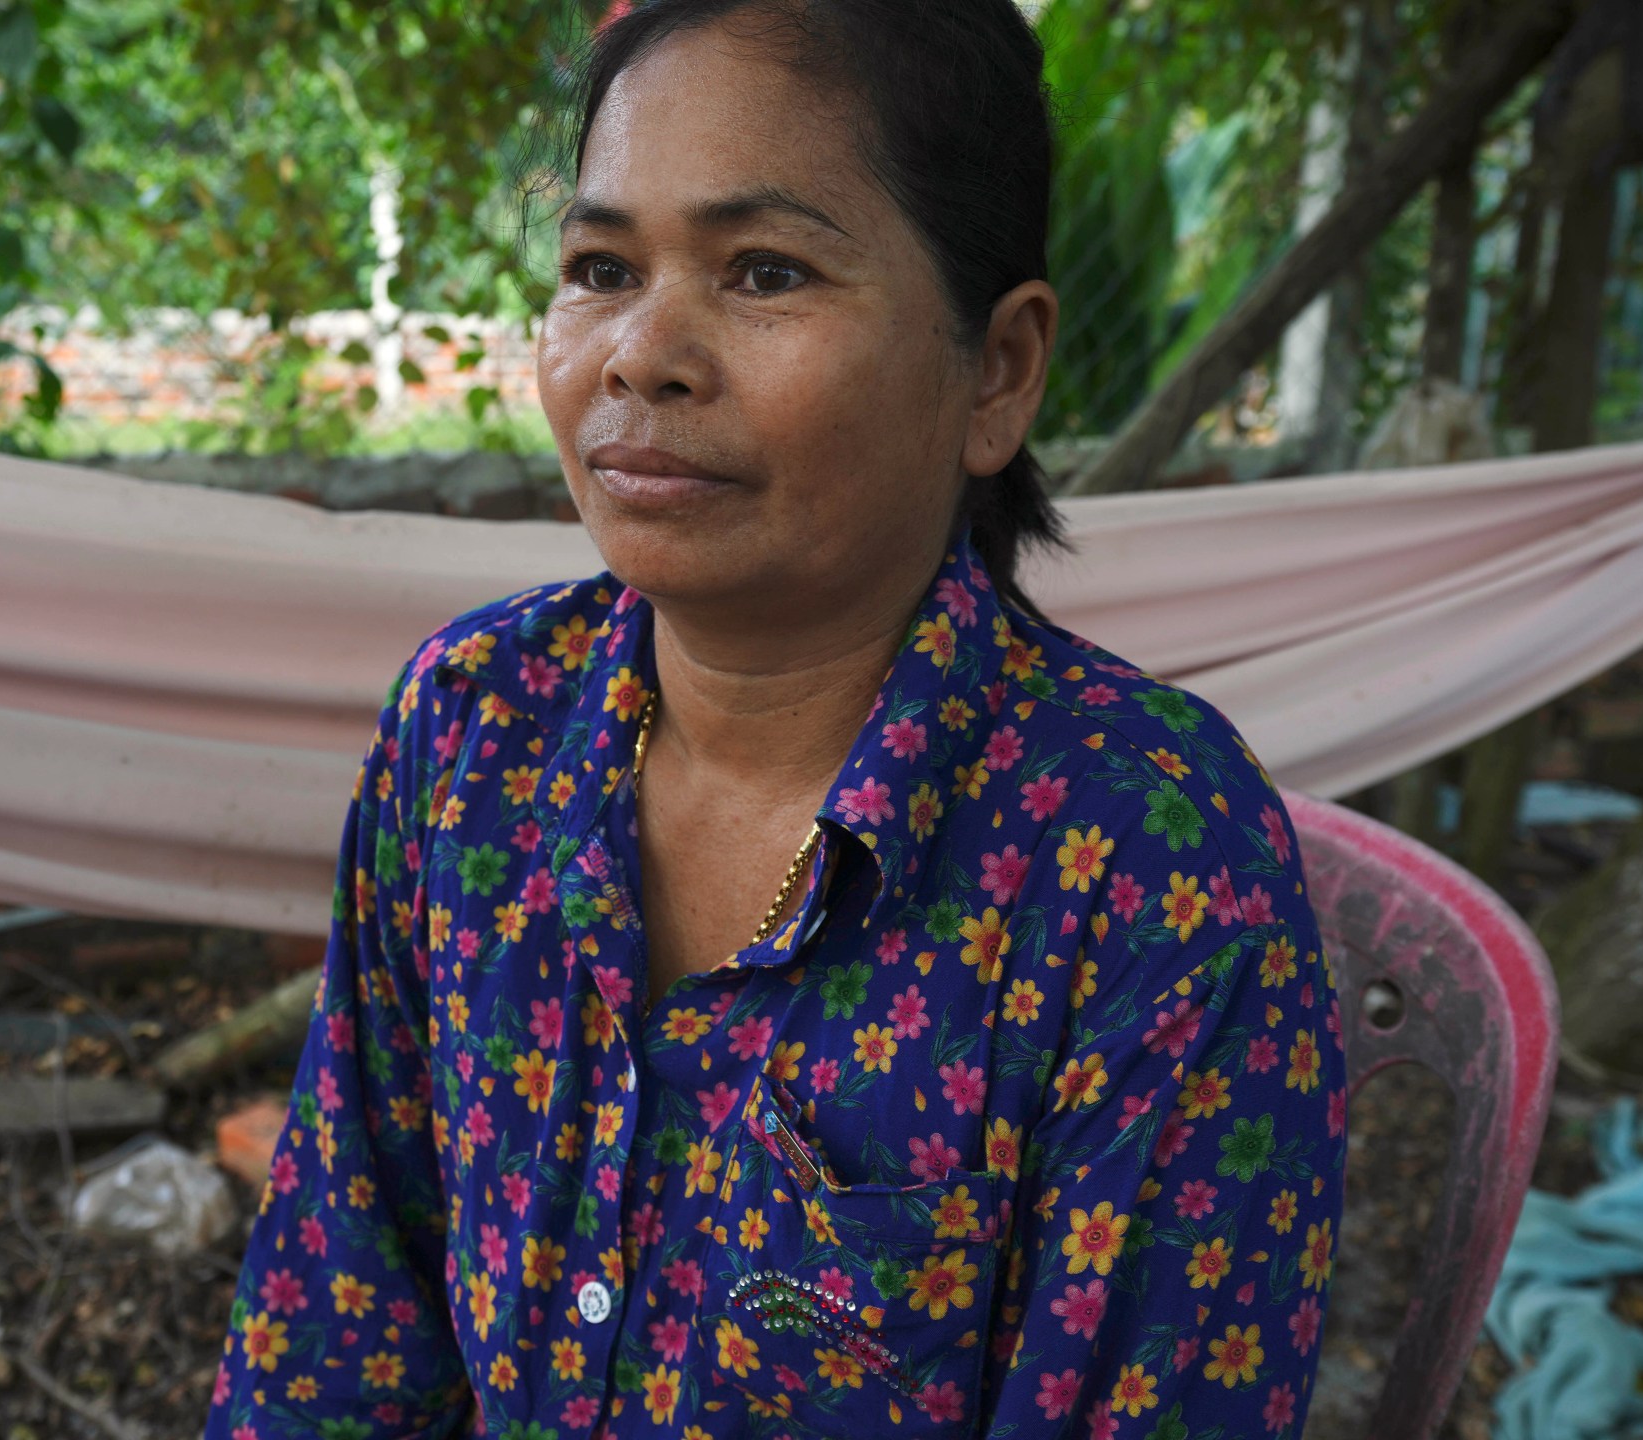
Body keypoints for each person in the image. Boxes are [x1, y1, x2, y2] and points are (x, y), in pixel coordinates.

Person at [203, 2, 1346, 1436]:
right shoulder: (473, 732)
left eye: (763, 272)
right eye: (601, 268)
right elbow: (338, 1330)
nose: (643, 354)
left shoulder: (1146, 859)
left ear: (996, 371)